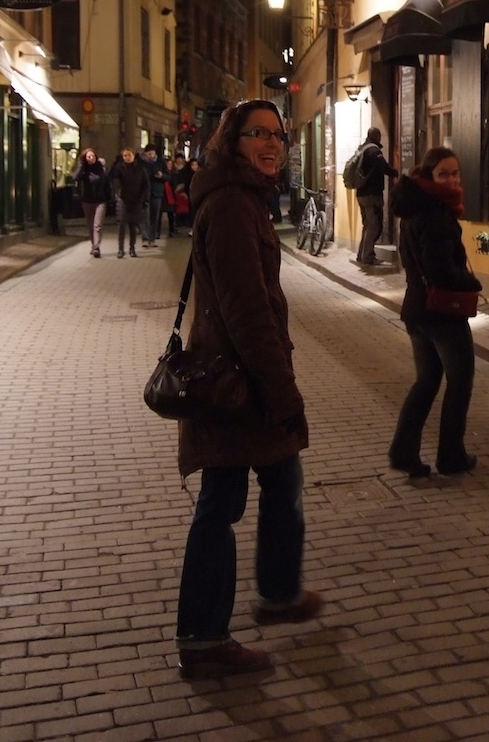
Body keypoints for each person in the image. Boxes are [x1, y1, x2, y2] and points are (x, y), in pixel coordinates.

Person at [175, 99, 320, 679]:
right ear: (232, 141)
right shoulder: (234, 205)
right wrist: (281, 392)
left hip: (240, 376)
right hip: (235, 384)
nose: (271, 144)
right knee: (221, 505)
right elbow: (246, 312)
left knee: (282, 478)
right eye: (258, 133)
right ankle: (204, 639)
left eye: (278, 135)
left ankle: (279, 594)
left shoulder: (242, 197)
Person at [387, 147, 483, 478]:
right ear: (429, 176)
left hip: (417, 309)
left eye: (456, 173)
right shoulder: (435, 214)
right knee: (460, 382)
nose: (452, 179)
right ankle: (451, 456)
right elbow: (440, 271)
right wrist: (471, 282)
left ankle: (403, 452)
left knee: (426, 382)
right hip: (442, 314)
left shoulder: (414, 208)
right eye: (444, 174)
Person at [353, 128, 400, 266]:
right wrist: (399, 173)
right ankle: (367, 257)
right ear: (377, 136)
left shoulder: (362, 149)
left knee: (368, 225)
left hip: (362, 194)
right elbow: (384, 168)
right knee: (374, 226)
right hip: (372, 195)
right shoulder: (374, 151)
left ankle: (362, 255)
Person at [108, 148, 149, 258]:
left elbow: (145, 184)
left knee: (132, 225)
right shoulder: (119, 168)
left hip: (136, 200)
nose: (127, 157)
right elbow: (114, 181)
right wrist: (118, 193)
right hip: (123, 200)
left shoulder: (140, 168)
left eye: (129, 155)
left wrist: (144, 198)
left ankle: (132, 248)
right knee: (121, 224)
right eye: (125, 155)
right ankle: (120, 249)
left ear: (133, 156)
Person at [72, 148, 110, 258]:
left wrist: (109, 197)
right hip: (87, 200)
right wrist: (81, 166)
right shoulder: (84, 170)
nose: (91, 158)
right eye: (88, 156)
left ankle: (96, 247)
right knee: (90, 225)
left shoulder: (101, 168)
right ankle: (93, 245)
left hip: (100, 201)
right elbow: (75, 178)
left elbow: (107, 183)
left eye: (92, 156)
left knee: (97, 225)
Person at [141, 145, 167, 247]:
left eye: (152, 153)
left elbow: (169, 176)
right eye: (149, 153)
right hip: (144, 193)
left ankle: (152, 239)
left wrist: (162, 176)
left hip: (157, 192)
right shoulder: (141, 163)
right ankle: (145, 238)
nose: (151, 155)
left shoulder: (161, 162)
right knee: (145, 216)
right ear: (145, 153)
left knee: (155, 217)